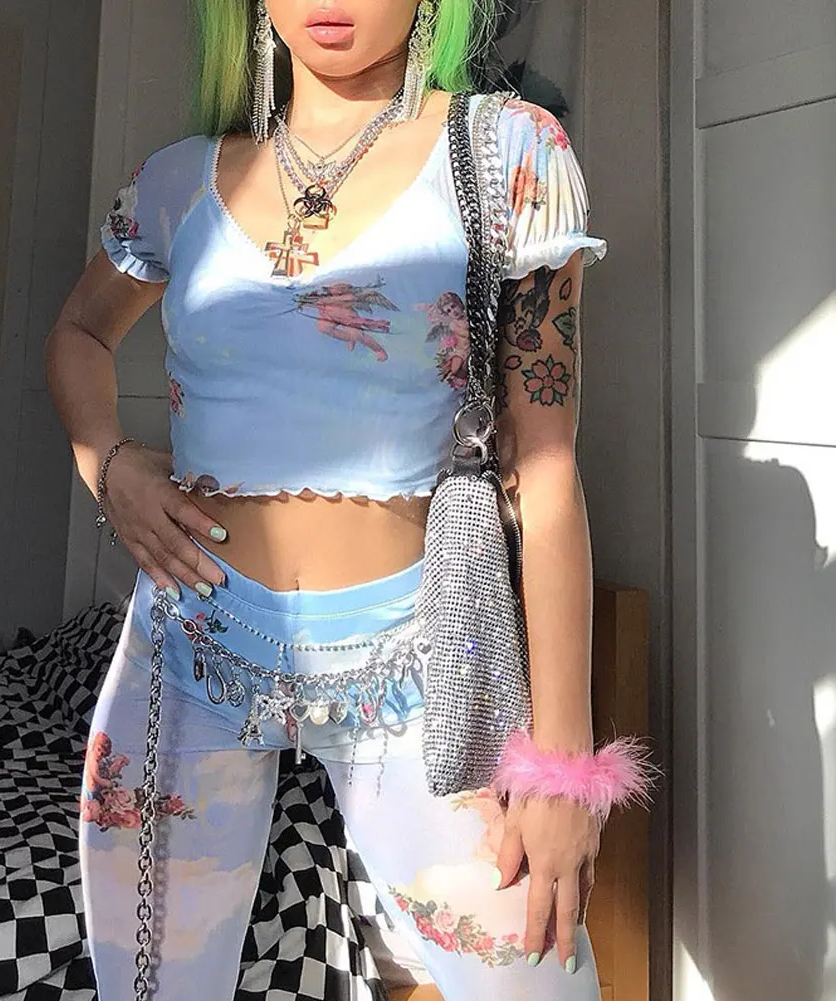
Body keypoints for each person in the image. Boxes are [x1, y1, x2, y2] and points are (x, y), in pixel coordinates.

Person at [46, 2, 614, 998]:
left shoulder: (509, 151)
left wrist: (561, 765)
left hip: (415, 660)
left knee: (536, 979)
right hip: (189, 650)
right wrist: (110, 462)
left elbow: (548, 466)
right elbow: (79, 333)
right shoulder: (177, 181)